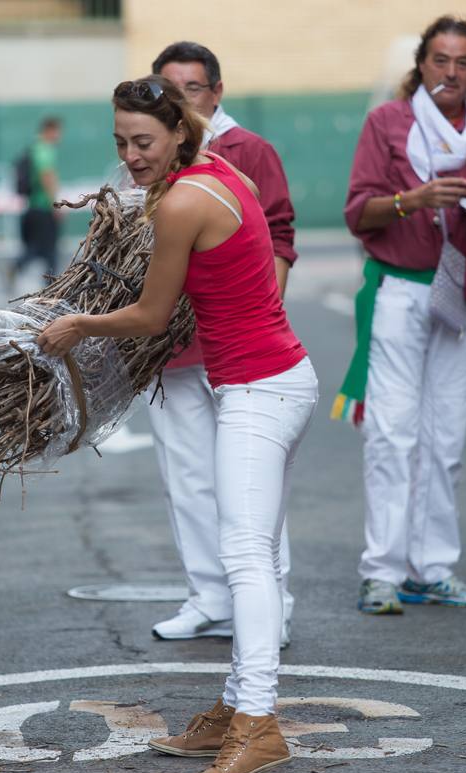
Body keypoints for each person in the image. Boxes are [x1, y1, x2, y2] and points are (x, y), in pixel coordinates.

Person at [38, 76, 318, 773]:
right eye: (121, 142)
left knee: (246, 556)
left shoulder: (186, 199)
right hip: (273, 380)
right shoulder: (217, 172)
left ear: (175, 134)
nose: (131, 155)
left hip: (258, 390)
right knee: (251, 549)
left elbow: (151, 315)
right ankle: (232, 709)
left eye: (143, 142)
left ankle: (256, 723)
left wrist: (77, 325)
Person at [338, 15, 466, 615]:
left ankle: (433, 568)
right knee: (393, 433)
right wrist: (410, 200)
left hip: (463, 295)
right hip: (400, 287)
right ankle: (382, 573)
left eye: (463, 62)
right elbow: (357, 213)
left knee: (445, 436)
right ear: (422, 64)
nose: (450, 72)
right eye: (440, 60)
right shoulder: (387, 123)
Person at [144, 41, 299, 646]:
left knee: (255, 483)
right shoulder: (148, 151)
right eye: (166, 89)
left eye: (192, 88)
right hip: (170, 351)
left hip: (239, 350)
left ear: (216, 92)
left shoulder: (245, 151)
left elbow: (280, 235)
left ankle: (271, 603)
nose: (179, 99)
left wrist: (263, 311)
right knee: (186, 476)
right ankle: (209, 597)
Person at [11, 117, 63, 282]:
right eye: (57, 132)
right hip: (43, 207)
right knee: (49, 249)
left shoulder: (34, 149)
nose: (59, 136)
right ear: (49, 130)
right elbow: (46, 177)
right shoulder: (44, 150)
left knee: (39, 247)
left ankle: (17, 268)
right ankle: (50, 283)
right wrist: (55, 205)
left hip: (34, 206)